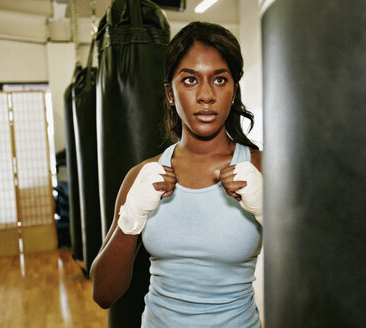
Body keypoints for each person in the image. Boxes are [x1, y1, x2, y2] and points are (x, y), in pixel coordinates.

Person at [90, 21, 263, 328]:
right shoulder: (142, 177)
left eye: (220, 79)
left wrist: (270, 212)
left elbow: (315, 277)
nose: (206, 95)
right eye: (190, 80)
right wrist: (130, 219)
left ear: (234, 89)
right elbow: (103, 293)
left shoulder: (263, 169)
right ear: (170, 93)